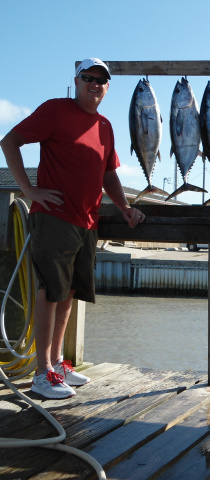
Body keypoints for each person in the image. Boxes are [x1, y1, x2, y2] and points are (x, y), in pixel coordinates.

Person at [0, 58, 145, 399]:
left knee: (68, 293)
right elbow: (9, 142)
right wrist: (30, 190)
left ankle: (58, 362)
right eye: (88, 78)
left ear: (108, 87)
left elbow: (108, 174)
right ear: (77, 80)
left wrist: (124, 207)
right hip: (54, 217)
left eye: (101, 80)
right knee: (50, 290)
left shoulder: (106, 126)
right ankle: (41, 372)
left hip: (88, 220)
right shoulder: (55, 110)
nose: (95, 84)